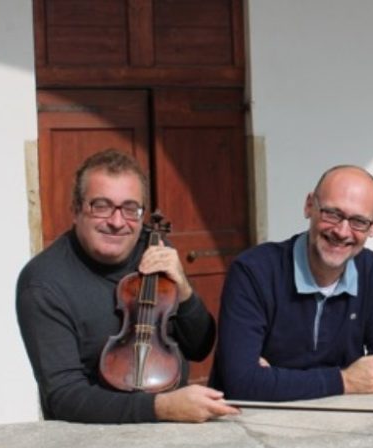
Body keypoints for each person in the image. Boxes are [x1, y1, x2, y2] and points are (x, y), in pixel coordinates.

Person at [16, 149, 240, 423]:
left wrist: (184, 292)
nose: (117, 222)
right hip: (93, 441)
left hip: (175, 431)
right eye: (101, 206)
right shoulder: (43, 283)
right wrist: (161, 407)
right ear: (75, 211)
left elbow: (199, 346)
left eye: (130, 209)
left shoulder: (154, 248)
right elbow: (63, 397)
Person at [211, 165, 373, 401]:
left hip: (343, 425)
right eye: (332, 214)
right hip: (255, 425)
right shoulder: (254, 272)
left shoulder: (371, 271)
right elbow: (242, 383)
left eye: (358, 221)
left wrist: (274, 378)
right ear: (309, 206)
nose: (342, 231)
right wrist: (345, 380)